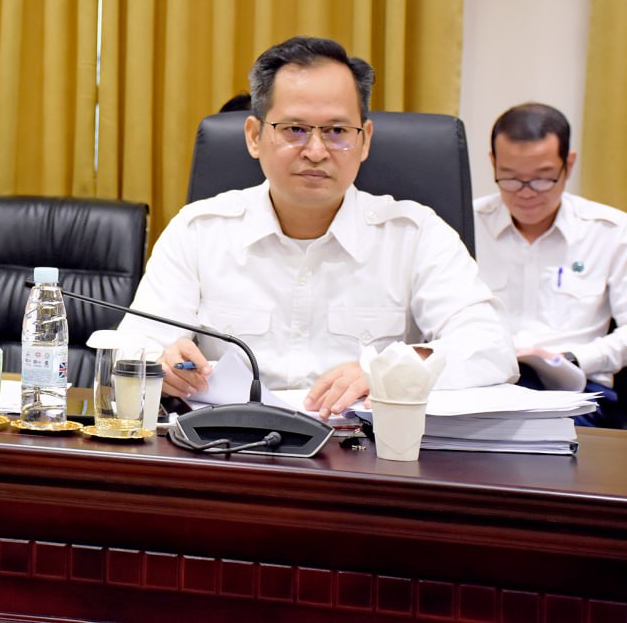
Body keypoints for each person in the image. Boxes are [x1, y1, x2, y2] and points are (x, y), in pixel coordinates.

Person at [120, 36, 516, 417]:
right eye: (294, 129)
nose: (315, 151)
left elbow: (491, 348)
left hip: (364, 453)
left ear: (365, 141)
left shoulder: (415, 235)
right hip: (228, 447)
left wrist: (390, 370)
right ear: (255, 136)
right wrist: (159, 361)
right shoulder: (199, 231)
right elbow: (132, 347)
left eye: (337, 131)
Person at [474, 103, 627, 426]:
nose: (526, 193)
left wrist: (572, 359)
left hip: (579, 391)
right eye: (510, 178)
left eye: (542, 179)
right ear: (493, 163)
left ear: (568, 165)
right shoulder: (466, 224)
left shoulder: (610, 232)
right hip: (483, 385)